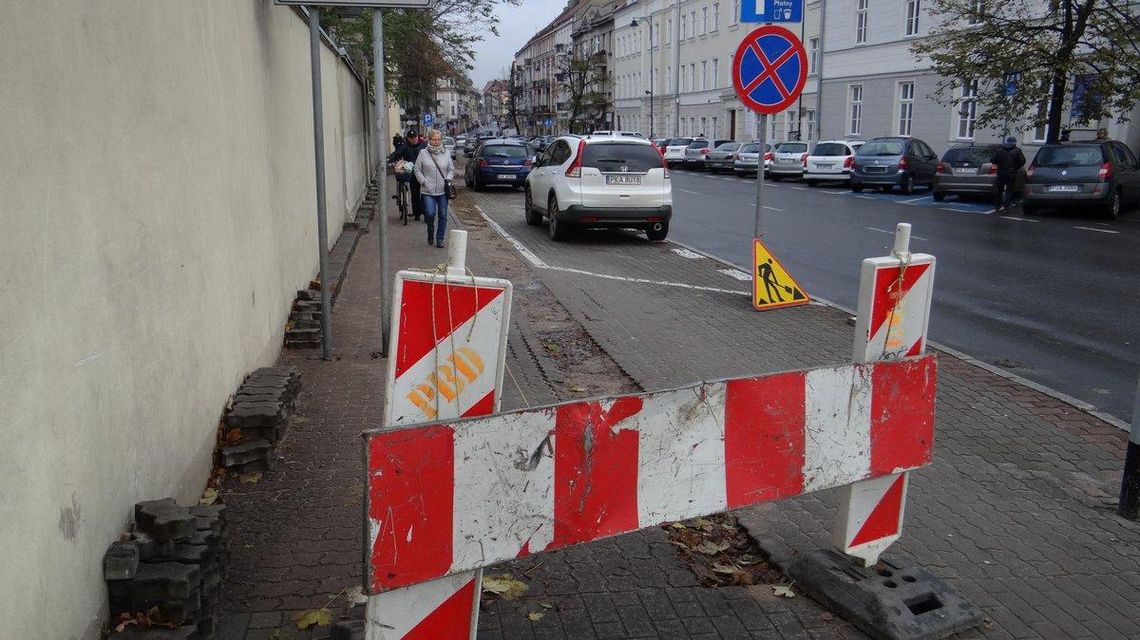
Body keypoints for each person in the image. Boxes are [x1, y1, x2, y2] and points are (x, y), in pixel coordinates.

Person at [415, 129, 455, 248]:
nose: (437, 142)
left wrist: (448, 179)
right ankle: (430, 229)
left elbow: (451, 169)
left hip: (443, 190)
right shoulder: (423, 153)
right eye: (434, 139)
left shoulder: (446, 153)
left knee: (443, 215)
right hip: (427, 190)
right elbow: (417, 169)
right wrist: (423, 181)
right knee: (430, 213)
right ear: (429, 139)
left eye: (439, 139)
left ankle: (440, 239)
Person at [387, 130, 425, 220]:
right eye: (411, 138)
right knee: (415, 193)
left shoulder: (423, 145)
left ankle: (424, 211)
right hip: (411, 172)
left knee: (425, 193)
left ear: (417, 137)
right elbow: (396, 154)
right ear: (408, 138)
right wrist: (389, 159)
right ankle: (417, 214)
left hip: (423, 172)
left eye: (415, 137)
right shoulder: (405, 147)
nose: (414, 139)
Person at [989, 136, 1026, 213]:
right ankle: (1006, 207)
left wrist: (999, 164)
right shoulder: (1017, 151)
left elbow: (993, 160)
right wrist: (1016, 167)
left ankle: (998, 206)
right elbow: (1022, 161)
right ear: (1014, 143)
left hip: (1001, 172)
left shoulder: (1000, 150)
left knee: (999, 189)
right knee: (1009, 190)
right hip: (1011, 173)